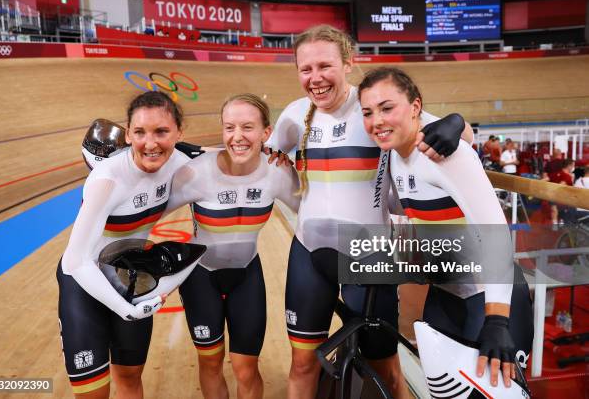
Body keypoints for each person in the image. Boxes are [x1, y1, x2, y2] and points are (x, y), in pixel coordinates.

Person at [266, 24, 474, 399]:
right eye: (305, 69)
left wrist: (457, 123)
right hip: (308, 252)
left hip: (369, 251)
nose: (315, 78)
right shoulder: (295, 115)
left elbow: (462, 136)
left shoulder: (373, 109)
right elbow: (265, 153)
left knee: (383, 362)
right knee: (302, 363)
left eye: (325, 66)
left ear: (349, 63)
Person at [358, 66, 534, 389]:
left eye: (386, 108)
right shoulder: (393, 153)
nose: (376, 120)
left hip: (490, 300)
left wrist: (497, 319)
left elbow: (496, 232)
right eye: (368, 112)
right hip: (445, 297)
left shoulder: (446, 153)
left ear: (415, 108)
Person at [58, 91, 192, 399]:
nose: (150, 142)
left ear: (178, 133)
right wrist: (126, 310)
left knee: (130, 378)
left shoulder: (178, 162)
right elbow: (74, 262)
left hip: (130, 278)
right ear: (128, 134)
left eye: (161, 131)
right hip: (85, 283)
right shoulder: (107, 179)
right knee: (93, 392)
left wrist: (270, 150)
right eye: (140, 132)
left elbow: (219, 156)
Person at [167, 94, 300, 399]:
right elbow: (148, 214)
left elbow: (310, 210)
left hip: (246, 276)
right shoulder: (196, 172)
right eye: (229, 128)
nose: (237, 136)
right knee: (211, 361)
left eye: (248, 127)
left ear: (267, 133)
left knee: (246, 368)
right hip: (200, 276)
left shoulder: (277, 172)